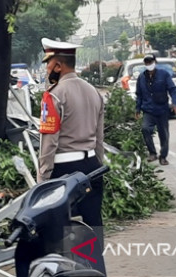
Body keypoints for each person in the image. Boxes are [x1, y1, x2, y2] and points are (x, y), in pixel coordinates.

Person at [29, 38, 106, 276]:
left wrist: (42, 179)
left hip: (63, 172)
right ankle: (97, 271)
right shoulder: (94, 91)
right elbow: (100, 139)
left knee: (57, 235)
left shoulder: (53, 95)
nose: (46, 69)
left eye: (49, 64)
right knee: (92, 229)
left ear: (59, 66)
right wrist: (98, 168)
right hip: (92, 168)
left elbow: (49, 142)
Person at [135, 53, 176, 165]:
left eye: (150, 61)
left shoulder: (163, 75)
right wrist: (137, 109)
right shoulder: (141, 77)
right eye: (147, 62)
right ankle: (152, 153)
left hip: (162, 109)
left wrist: (175, 103)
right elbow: (139, 94)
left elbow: (172, 89)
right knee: (145, 129)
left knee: (163, 134)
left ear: (155, 62)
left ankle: (163, 156)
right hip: (148, 110)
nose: (149, 64)